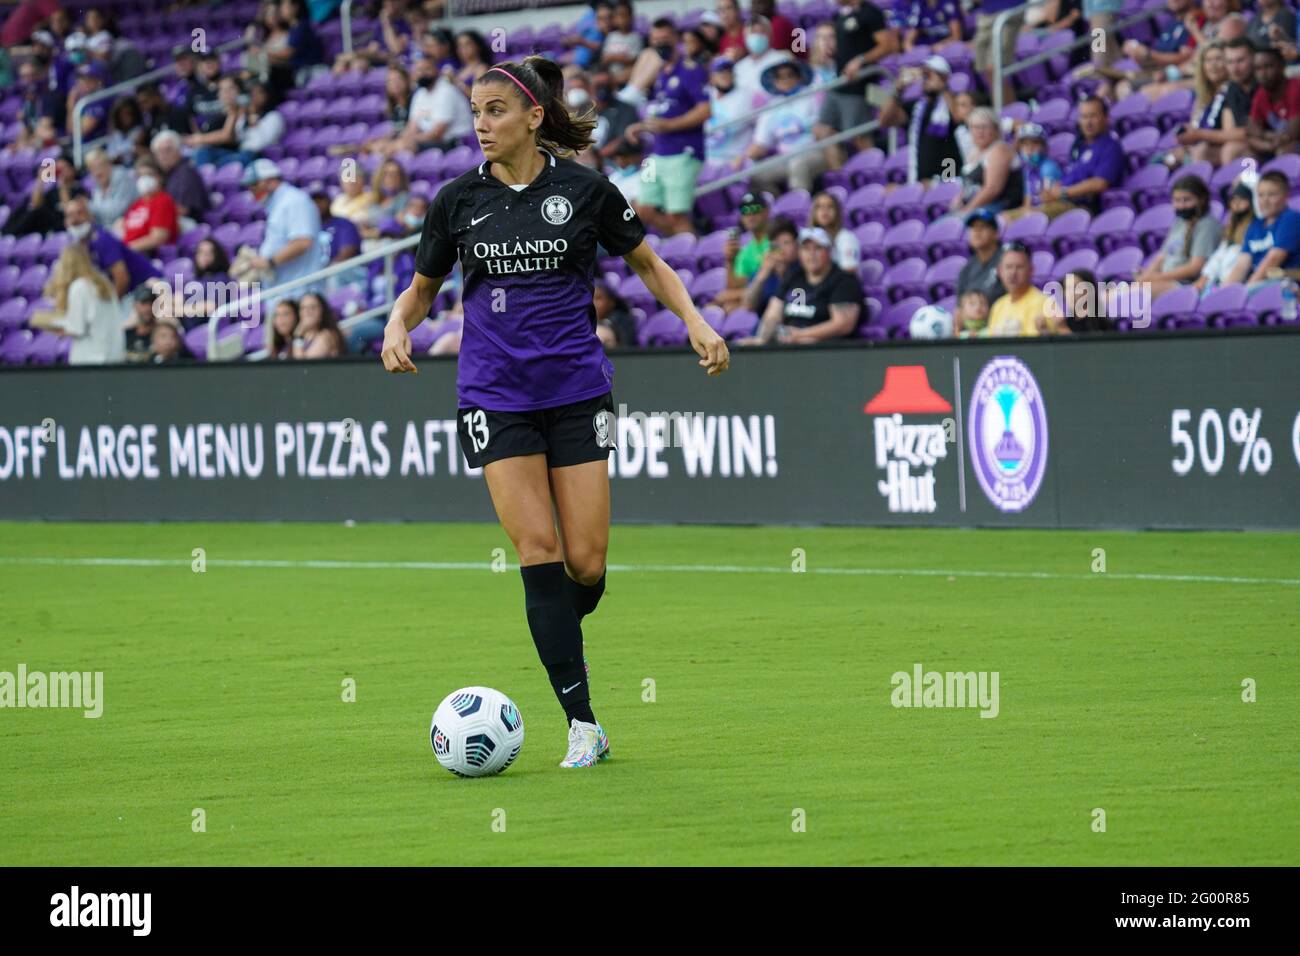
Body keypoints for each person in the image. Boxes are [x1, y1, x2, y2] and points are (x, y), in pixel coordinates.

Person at [379, 55, 728, 768]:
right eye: (475, 112)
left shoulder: (586, 190)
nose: (481, 124)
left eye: (495, 111)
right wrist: (396, 325)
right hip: (494, 396)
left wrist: (696, 320)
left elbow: (649, 265)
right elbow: (421, 289)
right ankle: (582, 723)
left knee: (587, 565)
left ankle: (562, 639)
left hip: (575, 390)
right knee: (539, 552)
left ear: (534, 117)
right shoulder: (455, 202)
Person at [626, 20, 710, 236]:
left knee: (677, 214)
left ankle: (691, 250)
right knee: (641, 208)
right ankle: (685, 243)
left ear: (676, 39)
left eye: (665, 40)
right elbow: (663, 111)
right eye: (656, 41)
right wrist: (642, 127)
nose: (660, 44)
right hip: (656, 156)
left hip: (683, 154)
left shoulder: (690, 70)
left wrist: (670, 125)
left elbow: (705, 110)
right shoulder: (662, 73)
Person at [738, 226, 864, 344]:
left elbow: (843, 325)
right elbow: (773, 314)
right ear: (800, 253)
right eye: (806, 249)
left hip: (828, 350)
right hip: (790, 347)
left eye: (818, 248)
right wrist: (762, 340)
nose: (811, 254)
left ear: (829, 251)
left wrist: (801, 335)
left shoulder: (844, 280)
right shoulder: (793, 276)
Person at [816, 0, 898, 168]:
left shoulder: (870, 13)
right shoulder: (840, 14)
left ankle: (877, 174)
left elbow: (888, 45)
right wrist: (831, 54)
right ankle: (841, 178)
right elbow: (847, 46)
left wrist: (861, 60)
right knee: (822, 130)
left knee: (859, 137)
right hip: (839, 83)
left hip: (859, 86)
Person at [242, 158, 327, 305]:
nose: (252, 190)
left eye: (254, 185)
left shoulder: (294, 201)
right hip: (284, 292)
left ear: (270, 181)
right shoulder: (278, 204)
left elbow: (303, 241)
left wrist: (269, 261)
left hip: (300, 292)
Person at [33, 241, 125, 365]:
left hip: (91, 359)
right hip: (114, 355)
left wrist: (50, 323)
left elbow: (76, 328)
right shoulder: (104, 282)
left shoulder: (79, 287)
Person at [743, 59, 826, 193]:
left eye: (790, 75)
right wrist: (741, 161)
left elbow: (822, 129)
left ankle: (800, 208)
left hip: (814, 152)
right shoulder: (772, 106)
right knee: (754, 174)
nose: (786, 80)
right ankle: (778, 207)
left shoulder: (811, 96)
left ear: (799, 77)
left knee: (797, 165)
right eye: (780, 77)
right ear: (774, 82)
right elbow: (760, 144)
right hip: (786, 158)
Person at [877, 54, 962, 185]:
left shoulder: (954, 99)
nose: (925, 79)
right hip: (922, 179)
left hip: (950, 170)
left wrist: (943, 87)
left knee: (948, 190)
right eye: (924, 75)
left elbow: (958, 117)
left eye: (929, 75)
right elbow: (884, 121)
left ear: (944, 77)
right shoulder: (916, 107)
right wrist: (898, 90)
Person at [1134, 175, 1222, 299]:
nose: (1181, 205)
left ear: (1202, 200)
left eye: (1187, 200)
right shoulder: (1180, 222)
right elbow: (1161, 257)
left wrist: (1155, 277)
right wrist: (1147, 276)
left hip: (1184, 284)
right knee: (1109, 296)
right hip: (1163, 279)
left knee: (1130, 297)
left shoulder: (1207, 225)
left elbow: (1195, 267)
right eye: (1177, 200)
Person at [1036, 97, 1125, 218]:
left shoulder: (1111, 147)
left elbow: (1100, 183)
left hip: (1083, 208)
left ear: (1106, 118)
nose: (1088, 122)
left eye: (1093, 116)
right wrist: (1052, 191)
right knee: (1005, 218)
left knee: (1033, 217)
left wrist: (1063, 193)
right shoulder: (1078, 146)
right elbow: (1071, 176)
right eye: (1084, 117)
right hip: (1063, 203)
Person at [63, 194, 159, 300]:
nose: (75, 219)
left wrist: (111, 308)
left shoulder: (102, 240)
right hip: (131, 293)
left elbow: (122, 279)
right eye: (70, 215)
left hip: (148, 287)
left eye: (80, 213)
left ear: (90, 216)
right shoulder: (74, 244)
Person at [1170, 41, 1246, 167]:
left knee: (1201, 153)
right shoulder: (1202, 97)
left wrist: (1198, 135)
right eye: (1208, 60)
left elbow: (1231, 133)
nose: (1213, 65)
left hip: (1216, 152)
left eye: (1218, 59)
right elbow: (1195, 126)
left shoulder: (1232, 91)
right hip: (1198, 151)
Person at [1224, 170, 1300, 287]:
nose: (1265, 200)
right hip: (1259, 283)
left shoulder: (1291, 218)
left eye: (1272, 194)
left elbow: (1274, 259)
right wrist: (1225, 291)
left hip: (1285, 284)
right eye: (1261, 195)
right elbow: (1242, 265)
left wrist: (1246, 291)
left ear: (1286, 196)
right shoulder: (1255, 225)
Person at [951, 106, 1022, 218]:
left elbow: (992, 190)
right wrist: (959, 200)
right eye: (975, 127)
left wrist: (967, 210)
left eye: (984, 127)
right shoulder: (973, 152)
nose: (979, 131)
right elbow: (968, 184)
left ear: (995, 129)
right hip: (975, 207)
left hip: (997, 208)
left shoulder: (999, 150)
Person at [717, 192, 773, 311]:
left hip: (772, 297)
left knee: (729, 306)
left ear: (767, 211)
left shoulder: (776, 240)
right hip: (754, 298)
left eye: (755, 209)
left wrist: (732, 295)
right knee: (719, 307)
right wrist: (730, 260)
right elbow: (736, 285)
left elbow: (772, 283)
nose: (750, 215)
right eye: (745, 211)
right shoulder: (746, 251)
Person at [1196, 183, 1255, 292]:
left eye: (1242, 199)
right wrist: (1203, 279)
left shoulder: (1255, 227)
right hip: (1220, 284)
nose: (1236, 204)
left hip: (1238, 286)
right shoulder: (1231, 228)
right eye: (1233, 199)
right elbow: (1217, 259)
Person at [1246, 45, 1300, 161]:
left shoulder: (1295, 87)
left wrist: (1263, 136)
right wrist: (1268, 141)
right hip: (1275, 144)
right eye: (1258, 69)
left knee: (1286, 151)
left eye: (1268, 66)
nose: (1262, 74)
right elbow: (1251, 130)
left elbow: (1293, 133)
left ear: (1282, 66)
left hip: (1294, 144)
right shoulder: (1261, 94)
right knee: (1247, 153)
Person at [1004, 122, 1063, 221]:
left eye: (1035, 143)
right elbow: (1027, 201)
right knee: (1002, 217)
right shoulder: (1028, 170)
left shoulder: (1048, 167)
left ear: (1044, 147)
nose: (1030, 149)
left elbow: (1049, 199)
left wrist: (1024, 213)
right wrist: (1023, 211)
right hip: (1035, 210)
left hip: (1049, 210)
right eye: (1025, 144)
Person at [986, 241, 1047, 336]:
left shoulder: (1043, 303)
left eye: (1019, 267)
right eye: (1008, 267)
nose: (1013, 273)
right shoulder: (998, 306)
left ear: (1031, 270)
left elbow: (1033, 347)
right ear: (999, 271)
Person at [152, 129, 210, 224]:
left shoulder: (186, 173)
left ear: (179, 150)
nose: (163, 156)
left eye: (168, 150)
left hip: (191, 227)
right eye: (159, 152)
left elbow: (183, 210)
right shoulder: (167, 173)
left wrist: (151, 212)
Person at [956, 208, 1006, 301]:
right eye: (973, 227)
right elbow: (960, 307)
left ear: (996, 233)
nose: (977, 231)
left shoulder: (1007, 260)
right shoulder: (967, 269)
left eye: (983, 226)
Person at [808, 190, 860, 271]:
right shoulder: (807, 238)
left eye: (830, 206)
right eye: (820, 207)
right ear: (814, 213)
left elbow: (850, 271)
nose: (824, 210)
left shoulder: (846, 238)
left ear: (837, 212)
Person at [85, 146, 136, 226]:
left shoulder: (121, 176)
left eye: (101, 166)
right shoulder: (97, 186)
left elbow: (116, 211)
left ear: (109, 164)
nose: (98, 171)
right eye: (93, 168)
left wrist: (88, 206)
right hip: (110, 229)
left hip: (131, 222)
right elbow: (98, 218)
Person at [292, 291, 345, 358]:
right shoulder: (305, 335)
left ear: (322, 311)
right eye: (303, 308)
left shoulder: (327, 335)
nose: (307, 311)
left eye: (313, 307)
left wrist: (298, 336)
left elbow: (304, 366)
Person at [593, 280, 636, 348]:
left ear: (611, 302)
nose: (593, 303)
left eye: (598, 298)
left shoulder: (624, 321)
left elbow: (626, 349)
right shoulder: (582, 321)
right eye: (590, 298)